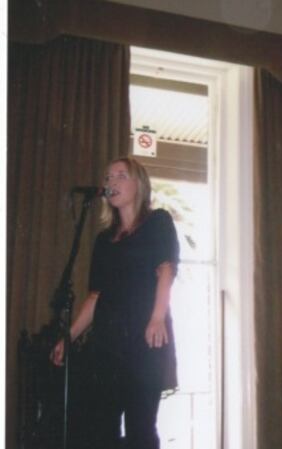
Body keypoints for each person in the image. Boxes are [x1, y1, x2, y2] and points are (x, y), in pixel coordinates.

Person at [51, 156, 179, 449]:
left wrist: (157, 316)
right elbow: (95, 296)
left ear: (139, 184)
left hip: (144, 340)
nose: (111, 183)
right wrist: (68, 336)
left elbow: (166, 270)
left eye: (121, 175)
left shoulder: (158, 222)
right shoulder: (104, 240)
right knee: (102, 428)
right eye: (108, 178)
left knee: (140, 429)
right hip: (107, 343)